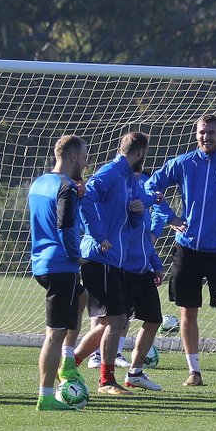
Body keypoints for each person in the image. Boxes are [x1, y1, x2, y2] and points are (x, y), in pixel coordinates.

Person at [144, 115, 216, 389]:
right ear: (196, 134)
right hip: (187, 249)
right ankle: (194, 371)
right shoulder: (183, 163)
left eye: (212, 132)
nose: (207, 137)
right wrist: (168, 216)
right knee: (187, 313)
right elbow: (150, 186)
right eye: (202, 132)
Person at [71, 132, 149, 396]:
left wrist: (139, 209)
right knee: (117, 320)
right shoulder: (110, 173)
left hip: (114, 260)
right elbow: (86, 199)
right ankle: (105, 381)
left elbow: (135, 216)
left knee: (108, 322)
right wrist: (98, 236)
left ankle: (70, 366)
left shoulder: (130, 179)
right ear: (139, 153)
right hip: (98, 258)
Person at [26, 135, 88, 410]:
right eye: (84, 158)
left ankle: (67, 360)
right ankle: (46, 397)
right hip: (61, 265)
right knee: (54, 333)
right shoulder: (65, 188)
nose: (85, 164)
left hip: (41, 262)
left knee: (83, 296)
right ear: (73, 157)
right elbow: (64, 226)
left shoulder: (39, 183)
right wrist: (76, 255)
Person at [120, 145, 176, 393]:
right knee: (112, 321)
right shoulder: (114, 182)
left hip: (143, 266)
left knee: (152, 319)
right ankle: (81, 362)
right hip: (120, 265)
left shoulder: (145, 184)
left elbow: (155, 217)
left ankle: (135, 373)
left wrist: (155, 262)